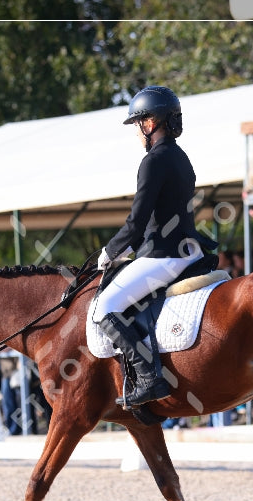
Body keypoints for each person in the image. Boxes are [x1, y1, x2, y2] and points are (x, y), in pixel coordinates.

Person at [93, 85, 218, 408]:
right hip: (187, 250)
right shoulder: (181, 157)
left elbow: (138, 221)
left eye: (138, 124)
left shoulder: (153, 161)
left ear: (150, 123)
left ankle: (149, 376)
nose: (137, 132)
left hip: (163, 256)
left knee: (105, 307)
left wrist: (111, 251)